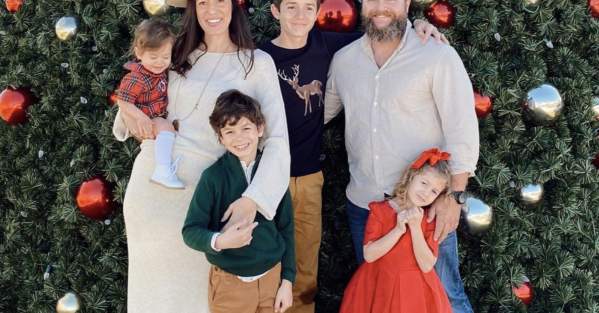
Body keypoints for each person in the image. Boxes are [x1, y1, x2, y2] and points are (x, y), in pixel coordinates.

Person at [258, 0, 446, 311]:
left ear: (318, 12)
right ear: (275, 11)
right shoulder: (257, 56)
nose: (299, 16)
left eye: (308, 7)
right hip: (263, 172)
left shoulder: (332, 45)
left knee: (304, 264)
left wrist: (419, 28)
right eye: (290, 7)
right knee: (261, 255)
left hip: (305, 176)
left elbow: (388, 31)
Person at [112, 0, 290, 311]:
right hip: (153, 190)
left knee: (198, 299)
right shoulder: (176, 53)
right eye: (203, 1)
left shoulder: (256, 62)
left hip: (207, 198)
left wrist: (253, 200)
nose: (212, 10)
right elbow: (135, 100)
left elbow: (276, 140)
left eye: (219, 0)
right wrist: (130, 115)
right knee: (152, 297)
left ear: (234, 5)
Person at [324, 0, 480, 311]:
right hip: (366, 207)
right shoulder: (344, 60)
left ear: (407, 3)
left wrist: (455, 197)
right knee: (380, 298)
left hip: (427, 208)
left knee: (444, 298)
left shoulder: (436, 55)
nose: (381, 7)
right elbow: (315, 116)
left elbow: (462, 128)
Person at [183, 90, 295, 313]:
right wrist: (221, 241)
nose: (240, 138)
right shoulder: (213, 178)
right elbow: (190, 231)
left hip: (272, 281)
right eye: (230, 131)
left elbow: (286, 228)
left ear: (260, 128)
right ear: (221, 138)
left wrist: (287, 281)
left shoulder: (273, 172)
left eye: (246, 128)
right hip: (230, 285)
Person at [339, 148, 453, 313]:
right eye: (424, 183)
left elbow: (427, 265)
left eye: (434, 191)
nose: (426, 193)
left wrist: (415, 228)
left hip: (415, 291)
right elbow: (369, 255)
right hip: (380, 283)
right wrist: (398, 230)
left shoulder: (429, 220)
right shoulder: (381, 211)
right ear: (411, 177)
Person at [116, 18, 184, 189]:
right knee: (165, 127)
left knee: (168, 130)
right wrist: (142, 119)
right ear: (139, 53)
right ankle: (162, 171)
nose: (160, 62)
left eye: (165, 56)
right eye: (153, 56)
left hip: (154, 116)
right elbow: (123, 102)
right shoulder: (137, 78)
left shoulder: (158, 71)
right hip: (146, 120)